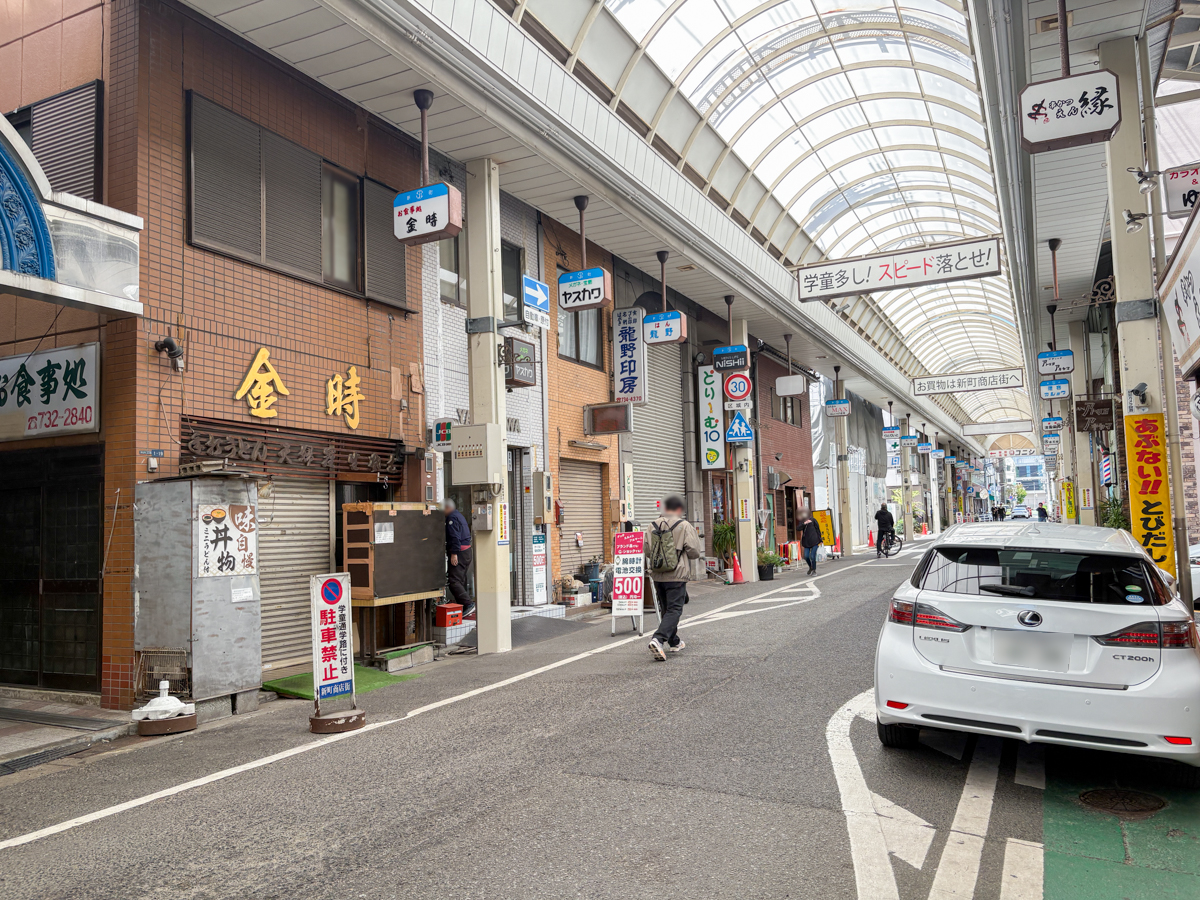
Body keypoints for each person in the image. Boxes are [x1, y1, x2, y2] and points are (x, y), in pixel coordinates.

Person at [646, 496, 701, 662]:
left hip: (658, 574)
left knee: (666, 608)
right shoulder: (683, 525)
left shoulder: (651, 525)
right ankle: (658, 638)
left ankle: (674, 641)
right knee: (675, 609)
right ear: (678, 509)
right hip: (676, 573)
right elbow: (694, 552)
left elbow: (647, 551)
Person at [443, 498, 474, 617]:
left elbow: (454, 537)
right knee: (460, 580)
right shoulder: (459, 515)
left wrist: (454, 553)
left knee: (454, 581)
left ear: (447, 507)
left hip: (460, 552)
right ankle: (464, 606)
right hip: (467, 552)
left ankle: (468, 604)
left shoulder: (451, 518)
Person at [799, 510, 822, 575]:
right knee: (806, 556)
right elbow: (798, 528)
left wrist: (820, 540)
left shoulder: (813, 520)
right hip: (806, 542)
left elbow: (818, 530)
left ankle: (814, 570)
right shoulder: (802, 521)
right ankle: (810, 567)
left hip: (815, 541)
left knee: (812, 556)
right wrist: (804, 524)